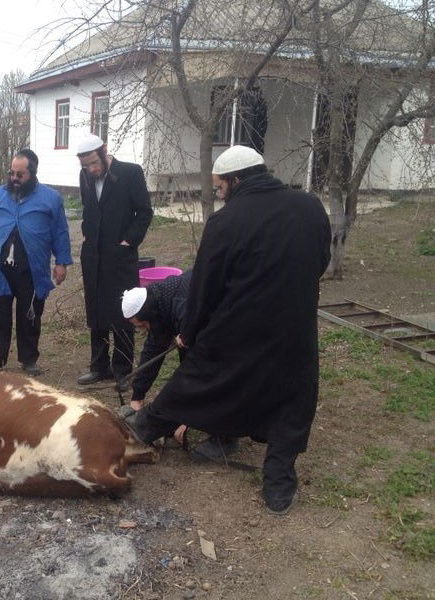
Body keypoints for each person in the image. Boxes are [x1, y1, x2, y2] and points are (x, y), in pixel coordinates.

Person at [124, 145, 331, 515]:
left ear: (236, 180)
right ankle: (279, 481)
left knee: (197, 381)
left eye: (220, 187)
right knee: (291, 397)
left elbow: (205, 285)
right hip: (294, 329)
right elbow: (320, 260)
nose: (219, 194)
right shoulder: (310, 206)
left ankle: (140, 430)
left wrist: (190, 330)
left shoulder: (227, 222)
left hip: (239, 327)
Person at [0, 149, 72, 376]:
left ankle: (28, 359)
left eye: (20, 174)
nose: (14, 179)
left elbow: (60, 232)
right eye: (11, 173)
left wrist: (61, 262)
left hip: (32, 270)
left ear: (33, 173)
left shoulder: (51, 199)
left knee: (30, 316)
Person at [75, 134, 153, 385]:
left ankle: (122, 370)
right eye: (86, 166)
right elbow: (90, 209)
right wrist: (87, 236)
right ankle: (99, 366)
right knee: (95, 310)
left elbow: (144, 212)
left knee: (122, 310)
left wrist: (128, 241)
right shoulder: (85, 176)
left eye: (95, 164)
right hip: (93, 255)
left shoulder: (130, 173)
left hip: (120, 255)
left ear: (104, 151)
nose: (92, 170)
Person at [120, 269, 192, 411]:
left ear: (149, 314)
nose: (143, 330)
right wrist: (137, 396)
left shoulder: (183, 306)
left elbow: (193, 363)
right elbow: (153, 349)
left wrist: (185, 417)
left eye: (142, 325)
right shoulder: (159, 305)